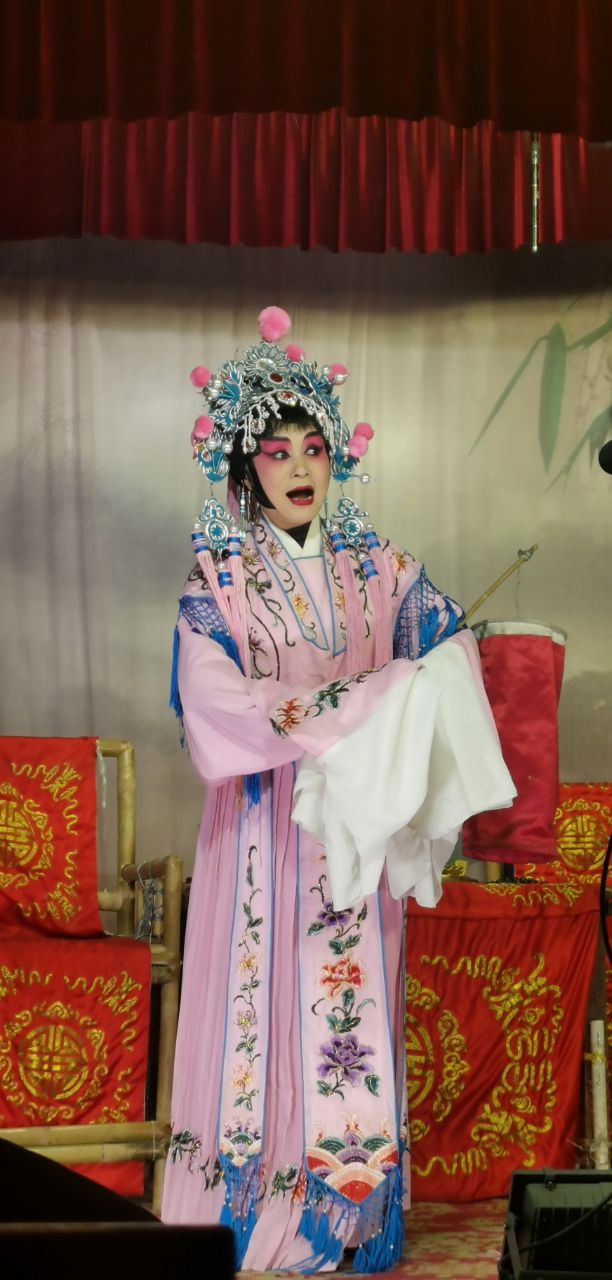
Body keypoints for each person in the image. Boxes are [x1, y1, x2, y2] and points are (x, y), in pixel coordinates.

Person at [161, 307, 514, 1272]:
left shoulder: (382, 568)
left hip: (356, 831)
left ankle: (350, 1220)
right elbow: (211, 700)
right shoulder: (219, 579)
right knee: (262, 1015)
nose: (300, 468)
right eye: (277, 453)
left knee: (349, 1015)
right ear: (245, 468)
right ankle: (255, 1209)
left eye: (314, 448)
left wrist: (429, 674)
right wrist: (351, 702)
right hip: (264, 834)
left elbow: (449, 650)